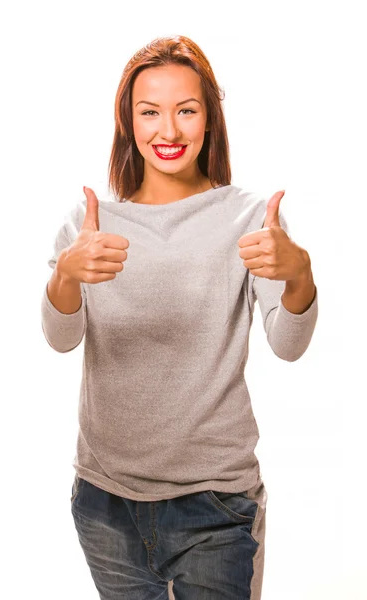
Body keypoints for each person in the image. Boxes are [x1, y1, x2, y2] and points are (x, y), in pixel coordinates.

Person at [41, 35, 318, 600]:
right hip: (106, 501)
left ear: (209, 118)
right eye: (150, 112)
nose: (168, 131)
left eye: (185, 110)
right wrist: (66, 275)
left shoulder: (248, 217)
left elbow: (287, 345)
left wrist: (299, 275)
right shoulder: (92, 221)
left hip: (216, 503)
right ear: (128, 121)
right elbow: (61, 338)